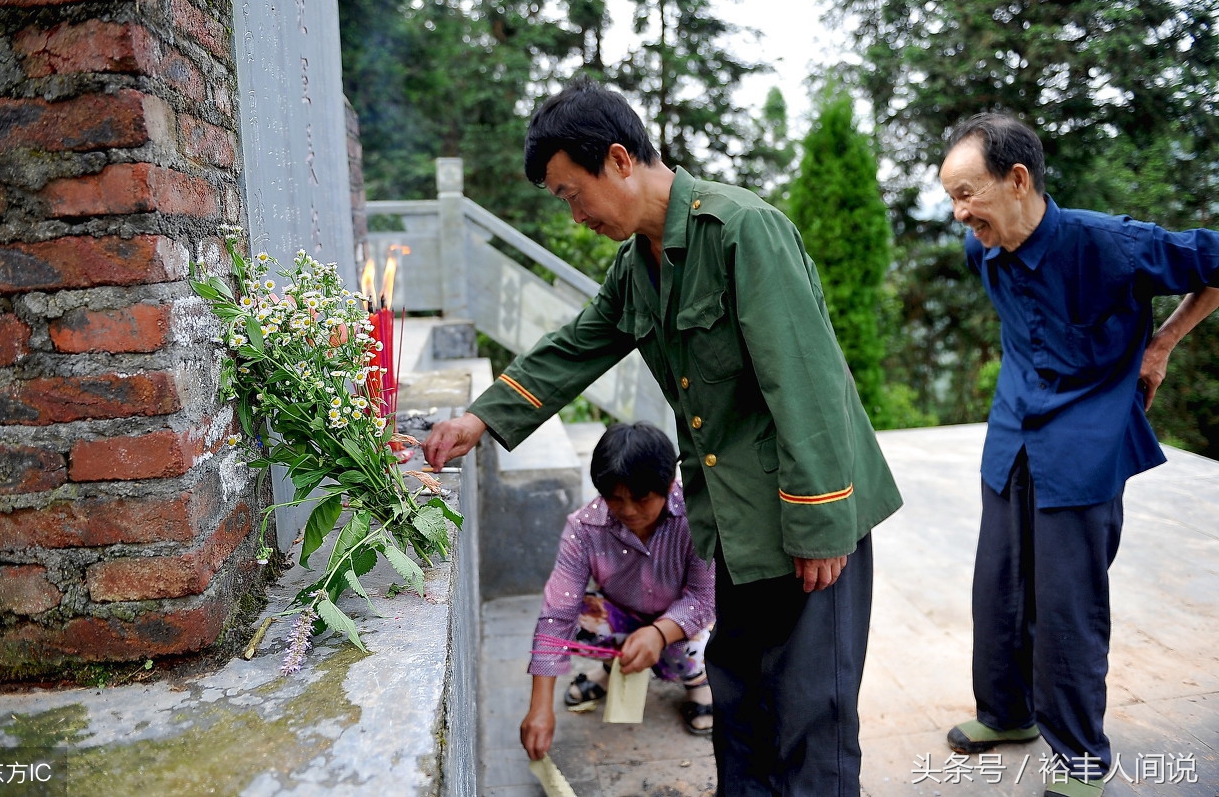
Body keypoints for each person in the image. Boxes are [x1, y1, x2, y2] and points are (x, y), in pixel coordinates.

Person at [423, 75, 903, 795]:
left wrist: (823, 521)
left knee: (812, 715)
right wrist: (481, 418)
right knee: (741, 701)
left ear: (619, 159)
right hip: (735, 521)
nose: (572, 213)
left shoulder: (742, 230)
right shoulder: (636, 268)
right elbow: (578, 345)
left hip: (806, 513)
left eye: (569, 192)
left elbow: (805, 381)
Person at [938, 112, 1219, 797]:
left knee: (1067, 604)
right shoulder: (984, 248)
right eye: (951, 196)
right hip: (1011, 433)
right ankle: (1006, 716)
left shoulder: (1114, 244)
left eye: (967, 194)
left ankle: (1082, 758)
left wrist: (1161, 345)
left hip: (1086, 442)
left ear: (1018, 181)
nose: (958, 214)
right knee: (997, 587)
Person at [521, 421, 716, 761]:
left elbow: (703, 598)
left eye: (641, 499)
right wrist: (540, 707)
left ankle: (697, 681)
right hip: (622, 614)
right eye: (615, 498)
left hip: (684, 622)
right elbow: (556, 615)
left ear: (668, 485)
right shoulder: (583, 528)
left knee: (692, 651)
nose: (627, 511)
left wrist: (657, 634)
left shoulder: (695, 517)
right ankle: (614, 667)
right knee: (576, 614)